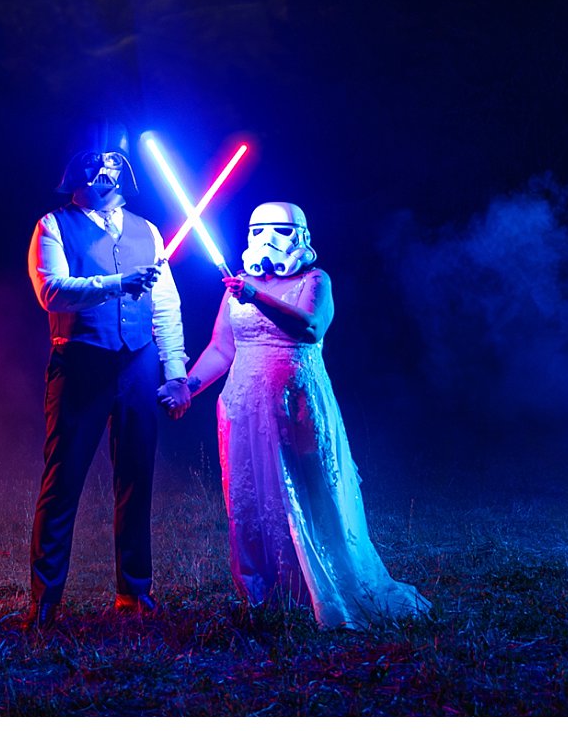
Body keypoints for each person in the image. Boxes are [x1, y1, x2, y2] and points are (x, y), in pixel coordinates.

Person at [159, 201, 431, 629]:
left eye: (280, 230)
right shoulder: (239, 285)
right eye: (259, 229)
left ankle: (319, 590)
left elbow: (309, 327)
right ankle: (264, 595)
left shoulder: (314, 280)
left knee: (307, 491)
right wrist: (187, 387)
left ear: (301, 236)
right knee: (252, 499)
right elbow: (222, 349)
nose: (268, 239)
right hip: (243, 408)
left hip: (296, 407)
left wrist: (256, 297)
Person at [23, 142, 189, 631]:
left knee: (136, 477)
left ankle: (134, 592)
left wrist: (176, 372)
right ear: (77, 176)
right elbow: (51, 291)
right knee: (63, 480)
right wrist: (118, 283)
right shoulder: (53, 226)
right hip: (80, 363)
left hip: (138, 364)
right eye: (96, 167)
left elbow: (165, 304)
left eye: (114, 166)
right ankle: (45, 601)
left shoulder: (148, 231)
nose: (105, 173)